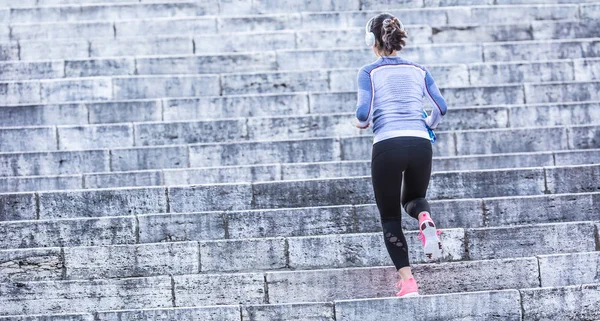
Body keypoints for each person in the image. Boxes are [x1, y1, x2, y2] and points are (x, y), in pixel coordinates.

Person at [355, 13, 448, 297]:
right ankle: (424, 219)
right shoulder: (419, 70)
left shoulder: (369, 72)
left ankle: (408, 282)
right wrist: (426, 124)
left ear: (371, 41)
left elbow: (363, 114)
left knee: (390, 218)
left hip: (387, 145)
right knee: (414, 199)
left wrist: (362, 123)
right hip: (420, 143)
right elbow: (441, 107)